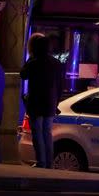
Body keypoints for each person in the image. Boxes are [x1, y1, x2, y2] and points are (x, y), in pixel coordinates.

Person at [20, 33, 63, 168]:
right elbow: (60, 85)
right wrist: (56, 102)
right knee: (47, 133)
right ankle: (49, 162)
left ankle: (41, 162)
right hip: (50, 103)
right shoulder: (56, 63)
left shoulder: (33, 63)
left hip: (36, 103)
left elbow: (23, 75)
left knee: (37, 133)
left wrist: (30, 58)